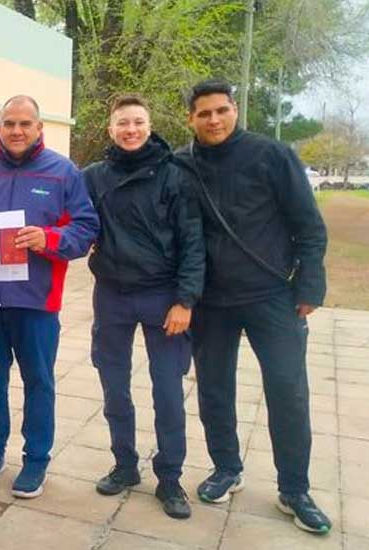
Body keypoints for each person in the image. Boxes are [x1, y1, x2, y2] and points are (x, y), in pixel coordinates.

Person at [173, 79, 331, 533]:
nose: (214, 120)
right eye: (204, 113)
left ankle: (294, 489)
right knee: (214, 389)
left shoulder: (272, 155)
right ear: (191, 118)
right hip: (212, 301)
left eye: (221, 110)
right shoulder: (182, 165)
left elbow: (309, 225)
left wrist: (309, 288)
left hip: (271, 296)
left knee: (288, 392)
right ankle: (226, 467)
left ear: (235, 110)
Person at [0, 95, 99, 498]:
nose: (17, 131)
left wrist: (49, 238)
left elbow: (86, 228)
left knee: (39, 383)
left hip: (36, 302)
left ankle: (36, 460)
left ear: (39, 129)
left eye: (25, 124)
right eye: (9, 124)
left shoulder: (63, 173)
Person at [83, 93, 204, 519]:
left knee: (168, 390)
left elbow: (193, 243)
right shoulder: (93, 177)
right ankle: (125, 465)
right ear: (110, 129)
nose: (130, 130)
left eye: (137, 122)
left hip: (163, 296)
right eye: (122, 123)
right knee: (114, 387)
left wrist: (185, 300)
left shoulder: (176, 175)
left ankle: (170, 478)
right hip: (112, 295)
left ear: (149, 126)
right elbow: (73, 222)